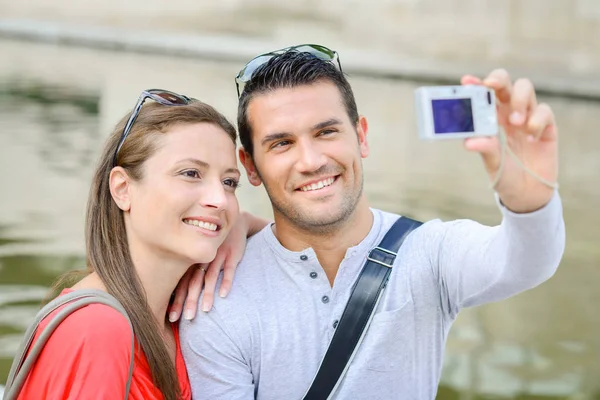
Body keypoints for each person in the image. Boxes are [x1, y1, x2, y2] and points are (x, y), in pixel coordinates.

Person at [178, 45, 566, 399]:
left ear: (361, 136)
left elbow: (525, 263)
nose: (311, 161)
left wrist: (529, 198)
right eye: (282, 143)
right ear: (251, 167)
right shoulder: (217, 302)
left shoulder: (428, 252)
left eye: (326, 132)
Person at [13, 89, 267, 400]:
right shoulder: (98, 330)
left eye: (229, 182)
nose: (218, 199)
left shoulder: (175, 319)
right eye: (191, 173)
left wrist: (246, 225)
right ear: (122, 189)